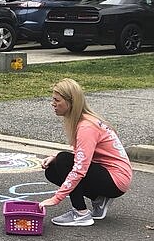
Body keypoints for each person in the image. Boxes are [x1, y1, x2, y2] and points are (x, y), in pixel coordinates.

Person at [39, 78, 132, 226]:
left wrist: (56, 198)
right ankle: (98, 199)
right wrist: (54, 157)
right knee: (53, 168)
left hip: (116, 179)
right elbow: (81, 152)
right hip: (112, 176)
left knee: (64, 160)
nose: (53, 103)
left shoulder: (86, 127)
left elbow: (79, 168)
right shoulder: (83, 121)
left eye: (57, 100)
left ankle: (80, 213)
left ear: (70, 102)